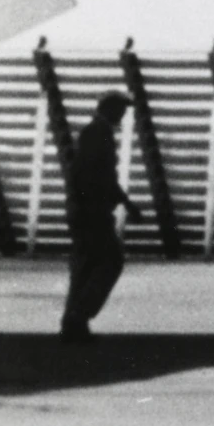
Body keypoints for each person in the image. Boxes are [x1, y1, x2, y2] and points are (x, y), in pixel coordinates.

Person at [61, 91, 142, 339]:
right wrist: (125, 203)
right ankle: (79, 316)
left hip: (83, 209)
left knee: (86, 265)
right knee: (110, 262)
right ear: (110, 109)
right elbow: (101, 176)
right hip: (92, 211)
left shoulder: (93, 132)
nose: (123, 115)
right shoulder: (98, 134)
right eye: (121, 110)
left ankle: (74, 322)